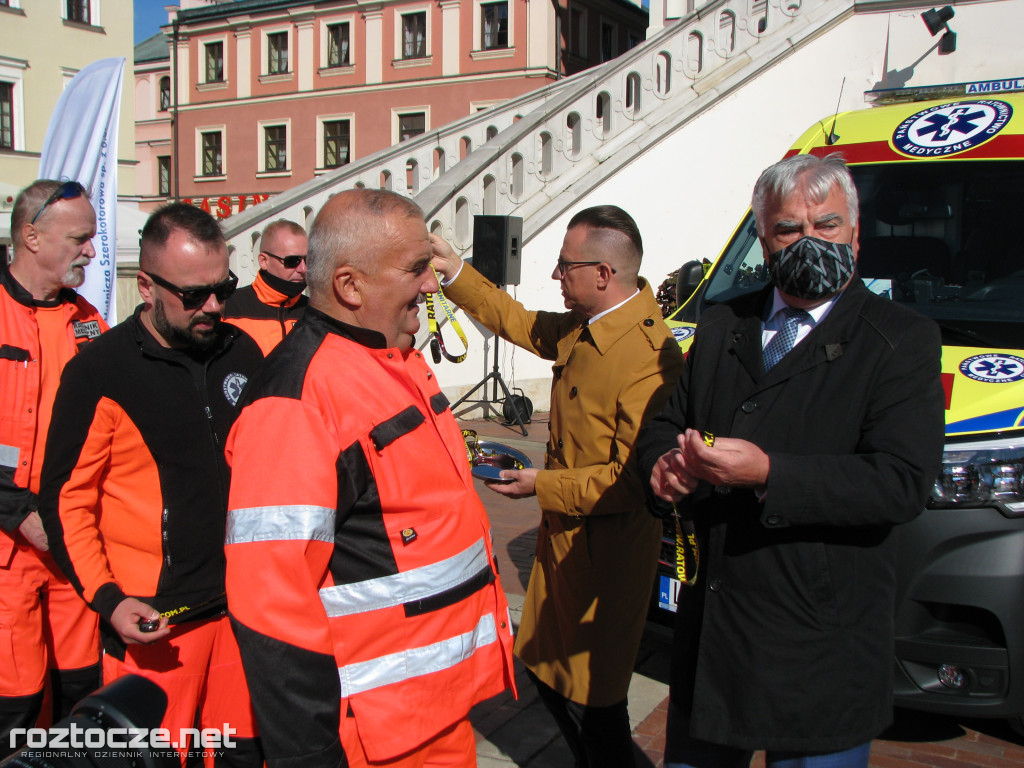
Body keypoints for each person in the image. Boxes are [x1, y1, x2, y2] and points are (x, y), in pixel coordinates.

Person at [635, 154, 946, 768]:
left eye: (826, 225)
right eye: (788, 229)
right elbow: (667, 421)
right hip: (718, 632)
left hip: (820, 639)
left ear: (855, 235)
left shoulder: (901, 338)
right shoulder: (724, 321)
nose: (809, 241)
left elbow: (901, 482)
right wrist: (662, 466)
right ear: (764, 240)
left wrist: (770, 474)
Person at [223, 188, 515, 768]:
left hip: (431, 713)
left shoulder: (391, 357)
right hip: (372, 735)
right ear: (350, 286)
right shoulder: (298, 399)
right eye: (415, 270)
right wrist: (308, 755)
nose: (432, 286)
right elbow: (270, 603)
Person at [430, 205, 684, 768]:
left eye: (565, 267)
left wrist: (542, 486)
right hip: (565, 546)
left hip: (607, 556)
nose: (555, 276)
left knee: (598, 707)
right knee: (549, 678)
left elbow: (633, 477)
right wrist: (454, 272)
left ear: (603, 273)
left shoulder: (650, 357)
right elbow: (518, 322)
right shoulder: (587, 324)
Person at [39, 203, 264, 767]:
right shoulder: (101, 371)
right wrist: (109, 600)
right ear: (146, 285)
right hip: (155, 625)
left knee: (240, 756)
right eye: (194, 294)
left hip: (243, 612)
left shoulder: (243, 350)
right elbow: (67, 499)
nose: (213, 306)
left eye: (223, 288)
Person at [0, 180, 105, 757]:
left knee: (83, 690)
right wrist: (19, 514)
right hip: (9, 547)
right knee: (15, 699)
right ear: (31, 237)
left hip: (74, 545)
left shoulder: (88, 321)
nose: (91, 252)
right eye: (80, 239)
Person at [223, 218, 309, 354]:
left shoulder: (315, 312)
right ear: (264, 261)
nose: (302, 268)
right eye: (292, 261)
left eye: (308, 260)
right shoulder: (228, 309)